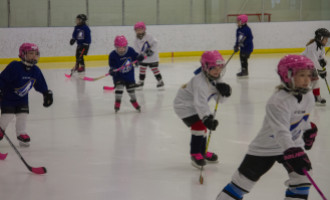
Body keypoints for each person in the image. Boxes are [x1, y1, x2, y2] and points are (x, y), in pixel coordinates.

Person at [216, 55, 317, 200]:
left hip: (292, 145)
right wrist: (293, 151)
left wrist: (308, 129)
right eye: (301, 75)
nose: (307, 79)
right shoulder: (277, 101)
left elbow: (301, 117)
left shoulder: (309, 96)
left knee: (303, 181)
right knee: (241, 184)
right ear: (287, 75)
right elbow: (281, 131)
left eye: (308, 75)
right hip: (266, 147)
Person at [173, 50, 232, 169]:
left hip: (195, 105)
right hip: (184, 106)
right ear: (205, 67)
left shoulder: (215, 77)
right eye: (214, 68)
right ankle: (195, 153)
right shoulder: (200, 83)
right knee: (199, 126)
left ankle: (202, 151)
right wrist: (206, 118)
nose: (217, 71)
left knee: (203, 127)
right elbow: (200, 103)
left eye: (220, 67)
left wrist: (226, 92)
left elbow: (219, 100)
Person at [0, 43, 53, 147]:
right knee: (7, 116)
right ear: (23, 54)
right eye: (31, 53)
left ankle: (21, 133)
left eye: (36, 53)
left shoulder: (36, 70)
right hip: (8, 98)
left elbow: (40, 83)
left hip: (22, 99)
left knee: (22, 116)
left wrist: (46, 93)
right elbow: (2, 78)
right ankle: (1, 129)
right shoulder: (15, 66)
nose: (34, 56)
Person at [108, 35, 145, 113]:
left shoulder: (130, 50)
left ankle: (134, 102)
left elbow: (136, 58)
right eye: (119, 47)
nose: (122, 49)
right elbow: (112, 66)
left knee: (131, 91)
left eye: (123, 47)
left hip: (129, 76)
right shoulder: (112, 55)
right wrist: (112, 70)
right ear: (116, 47)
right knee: (119, 89)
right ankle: (117, 103)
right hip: (119, 76)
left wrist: (139, 58)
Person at [301, 28, 330, 106]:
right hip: (302, 66)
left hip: (309, 66)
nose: (327, 41)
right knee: (307, 81)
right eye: (326, 39)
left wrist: (324, 62)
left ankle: (316, 97)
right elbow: (314, 62)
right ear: (320, 38)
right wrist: (321, 70)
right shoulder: (312, 47)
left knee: (316, 80)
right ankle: (302, 97)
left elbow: (321, 57)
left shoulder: (321, 47)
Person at [133, 21, 164, 89]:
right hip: (144, 58)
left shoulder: (149, 36)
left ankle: (160, 81)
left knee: (154, 69)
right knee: (142, 69)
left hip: (152, 57)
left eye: (140, 29)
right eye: (137, 30)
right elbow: (137, 49)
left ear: (144, 29)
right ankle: (141, 81)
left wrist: (152, 51)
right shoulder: (136, 40)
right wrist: (138, 57)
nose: (139, 31)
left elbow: (155, 43)